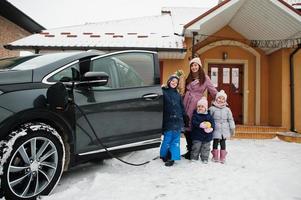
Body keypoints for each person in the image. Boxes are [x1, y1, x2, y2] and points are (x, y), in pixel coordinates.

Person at [181, 57, 218, 159]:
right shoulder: (188, 77)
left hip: (197, 105)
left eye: (195, 65)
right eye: (192, 65)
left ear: (199, 66)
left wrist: (220, 99)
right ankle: (190, 150)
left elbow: (213, 90)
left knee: (194, 126)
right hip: (186, 102)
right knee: (186, 127)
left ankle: (194, 151)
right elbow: (182, 90)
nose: (194, 67)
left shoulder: (205, 78)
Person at [160, 74, 186, 167]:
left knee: (176, 140)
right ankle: (164, 155)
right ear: (169, 81)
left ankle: (172, 157)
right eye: (172, 81)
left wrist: (185, 116)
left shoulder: (178, 95)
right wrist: (161, 89)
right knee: (167, 138)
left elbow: (181, 107)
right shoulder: (164, 92)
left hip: (178, 120)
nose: (174, 83)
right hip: (168, 120)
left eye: (176, 82)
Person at [209, 90, 235, 164]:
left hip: (224, 128)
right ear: (216, 99)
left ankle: (223, 157)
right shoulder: (212, 108)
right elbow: (209, 118)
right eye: (219, 98)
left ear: (225, 100)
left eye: (223, 99)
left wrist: (232, 127)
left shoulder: (227, 110)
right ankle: (215, 156)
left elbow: (230, 119)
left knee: (223, 142)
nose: (221, 100)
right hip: (216, 127)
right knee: (215, 141)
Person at [190, 97, 215, 163]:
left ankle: (205, 158)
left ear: (206, 108)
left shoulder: (209, 116)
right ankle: (194, 157)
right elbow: (193, 122)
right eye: (199, 106)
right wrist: (199, 125)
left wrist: (211, 128)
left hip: (207, 136)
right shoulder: (195, 115)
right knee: (196, 147)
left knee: (206, 148)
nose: (200, 108)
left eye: (202, 106)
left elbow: (213, 124)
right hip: (197, 135)